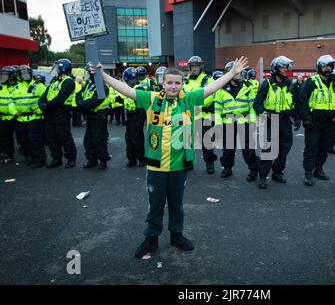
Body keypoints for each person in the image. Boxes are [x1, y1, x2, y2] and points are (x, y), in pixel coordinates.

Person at [96, 56, 248, 257]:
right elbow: (127, 90)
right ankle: (151, 239)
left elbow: (212, 88)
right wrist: (104, 75)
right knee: (155, 205)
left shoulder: (189, 99)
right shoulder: (151, 99)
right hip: (156, 166)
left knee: (177, 205)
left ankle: (176, 235)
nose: (173, 86)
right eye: (169, 82)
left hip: (178, 166)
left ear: (182, 84)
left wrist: (230, 74)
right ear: (162, 83)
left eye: (177, 83)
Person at [300, 55, 335, 186]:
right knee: (311, 147)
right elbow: (302, 100)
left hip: (330, 122)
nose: (328, 69)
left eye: (330, 66)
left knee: (324, 147)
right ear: (319, 67)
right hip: (314, 121)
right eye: (326, 66)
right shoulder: (311, 82)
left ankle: (319, 169)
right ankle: (308, 172)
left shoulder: (334, 82)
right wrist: (305, 118)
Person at [253, 56, 301, 189]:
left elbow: (295, 103)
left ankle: (277, 172)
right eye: (283, 67)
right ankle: (262, 176)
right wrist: (264, 113)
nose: (285, 70)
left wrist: (297, 118)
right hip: (270, 120)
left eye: (287, 67)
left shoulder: (290, 84)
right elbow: (257, 104)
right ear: (275, 68)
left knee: (284, 149)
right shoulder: (266, 84)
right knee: (269, 150)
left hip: (285, 121)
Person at [214, 61, 259, 181]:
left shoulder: (248, 87)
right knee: (228, 149)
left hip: (244, 121)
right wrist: (218, 124)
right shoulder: (221, 89)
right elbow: (217, 110)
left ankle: (253, 169)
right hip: (227, 122)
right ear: (229, 73)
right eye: (236, 72)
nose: (238, 74)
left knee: (248, 149)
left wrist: (253, 122)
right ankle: (227, 168)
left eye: (240, 72)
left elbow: (252, 107)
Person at [38, 59, 77, 169]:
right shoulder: (55, 80)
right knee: (51, 137)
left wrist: (46, 106)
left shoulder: (68, 81)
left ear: (63, 69)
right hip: (50, 112)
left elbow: (60, 99)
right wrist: (41, 103)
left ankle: (71, 158)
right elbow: (46, 94)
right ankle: (56, 158)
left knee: (64, 136)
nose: (56, 70)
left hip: (61, 113)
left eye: (57, 68)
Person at [184, 56, 217, 174]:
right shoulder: (185, 80)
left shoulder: (208, 79)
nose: (194, 69)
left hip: (204, 115)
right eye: (192, 67)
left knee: (206, 141)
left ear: (201, 67)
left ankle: (209, 163)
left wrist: (195, 103)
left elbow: (211, 95)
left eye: (196, 66)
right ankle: (189, 162)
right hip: (188, 115)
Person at [76, 63, 111, 170]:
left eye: (90, 71)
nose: (89, 73)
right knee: (88, 140)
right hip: (90, 117)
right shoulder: (89, 84)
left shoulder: (103, 86)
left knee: (99, 140)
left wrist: (82, 105)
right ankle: (91, 160)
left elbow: (97, 99)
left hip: (99, 117)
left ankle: (103, 161)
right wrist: (81, 103)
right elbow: (79, 95)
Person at [12, 66, 47, 167]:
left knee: (35, 140)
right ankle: (31, 157)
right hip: (21, 118)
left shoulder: (39, 85)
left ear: (31, 74)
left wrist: (40, 110)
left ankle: (40, 160)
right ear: (19, 76)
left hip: (34, 118)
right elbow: (11, 101)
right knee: (24, 140)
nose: (25, 75)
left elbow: (47, 99)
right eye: (22, 74)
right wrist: (14, 111)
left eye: (26, 73)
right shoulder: (16, 87)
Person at [122, 67, 146, 167]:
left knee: (137, 139)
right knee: (129, 139)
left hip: (136, 116)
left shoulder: (139, 88)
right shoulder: (128, 88)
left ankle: (141, 159)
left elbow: (142, 106)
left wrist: (141, 120)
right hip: (130, 116)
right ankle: (131, 158)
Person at [0, 66, 18, 163]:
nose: (3, 77)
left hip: (15, 116)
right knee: (3, 136)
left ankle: (12, 154)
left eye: (5, 76)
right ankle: (5, 154)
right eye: (2, 75)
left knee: (19, 137)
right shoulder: (0, 86)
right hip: (2, 117)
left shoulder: (17, 87)